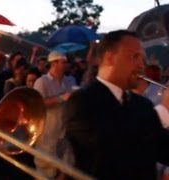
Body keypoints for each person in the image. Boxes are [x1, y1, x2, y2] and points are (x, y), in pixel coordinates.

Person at [62, 30, 169, 179]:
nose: (141, 65)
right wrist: (164, 109)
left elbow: (162, 147)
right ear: (109, 58)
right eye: (134, 57)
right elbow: (114, 150)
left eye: (142, 59)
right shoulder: (82, 101)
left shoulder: (142, 104)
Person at [33, 51, 73, 178]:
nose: (67, 65)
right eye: (63, 62)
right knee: (45, 169)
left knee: (65, 168)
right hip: (47, 132)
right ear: (54, 63)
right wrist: (62, 98)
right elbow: (38, 104)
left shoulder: (69, 81)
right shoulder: (41, 82)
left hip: (64, 131)